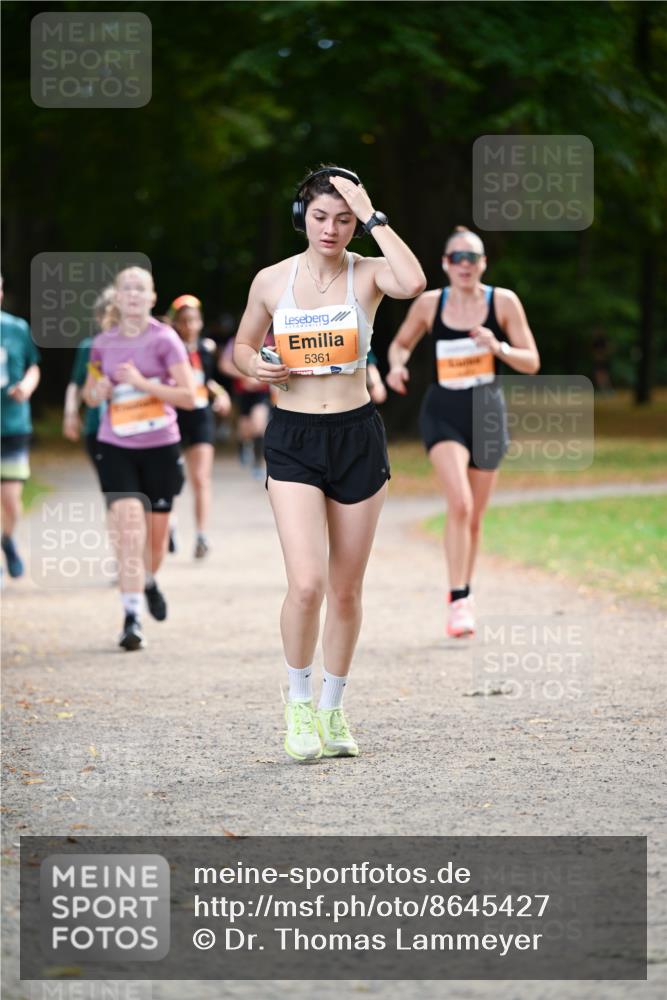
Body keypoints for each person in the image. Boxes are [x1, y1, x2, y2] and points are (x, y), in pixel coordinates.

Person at [233, 165, 425, 761]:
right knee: (308, 583)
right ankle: (296, 701)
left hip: (356, 434)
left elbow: (414, 282)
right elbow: (241, 346)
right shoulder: (272, 280)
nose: (332, 229)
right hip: (293, 435)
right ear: (302, 218)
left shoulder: (368, 273)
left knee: (345, 590)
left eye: (344, 220)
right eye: (321, 217)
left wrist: (374, 217)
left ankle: (332, 708)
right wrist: (255, 366)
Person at [386, 226, 540, 637]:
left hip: (488, 414)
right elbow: (400, 344)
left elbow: (531, 361)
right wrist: (397, 366)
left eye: (473, 257)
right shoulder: (428, 304)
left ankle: (465, 593)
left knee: (474, 518)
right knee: (460, 504)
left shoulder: (502, 302)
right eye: (457, 258)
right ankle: (457, 599)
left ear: (483, 263)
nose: (465, 265)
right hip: (443, 413)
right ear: (445, 264)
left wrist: (499, 347)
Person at [82, 267, 197, 650]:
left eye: (140, 289)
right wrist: (97, 390)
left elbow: (188, 395)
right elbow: (90, 393)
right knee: (129, 526)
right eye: (126, 288)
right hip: (115, 446)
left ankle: (148, 580)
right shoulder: (102, 342)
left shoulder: (166, 340)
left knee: (155, 540)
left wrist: (142, 383)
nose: (132, 294)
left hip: (160, 446)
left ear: (151, 298)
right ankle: (131, 617)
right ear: (117, 298)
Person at [167, 294, 231, 558]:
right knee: (170, 477)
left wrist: (222, 394)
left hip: (201, 414)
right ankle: (168, 524)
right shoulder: (167, 348)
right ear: (176, 323)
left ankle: (202, 535)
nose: (189, 325)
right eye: (183, 320)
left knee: (201, 478)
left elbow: (205, 380)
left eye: (193, 320)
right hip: (172, 413)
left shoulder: (207, 348)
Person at [0, 276, 41, 579]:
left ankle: (8, 539)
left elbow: (33, 366)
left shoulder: (16, 328)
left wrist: (26, 387)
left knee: (11, 502)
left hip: (12, 424)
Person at [62, 285, 115, 479]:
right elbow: (76, 383)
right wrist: (70, 414)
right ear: (99, 319)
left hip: (131, 424)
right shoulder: (90, 347)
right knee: (112, 488)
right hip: (96, 427)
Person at [221, 334, 273, 478]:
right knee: (245, 430)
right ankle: (243, 446)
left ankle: (258, 464)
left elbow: (278, 364)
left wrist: (261, 378)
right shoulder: (235, 342)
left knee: (259, 425)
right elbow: (224, 364)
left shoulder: (270, 341)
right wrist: (245, 375)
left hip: (262, 393)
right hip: (243, 393)